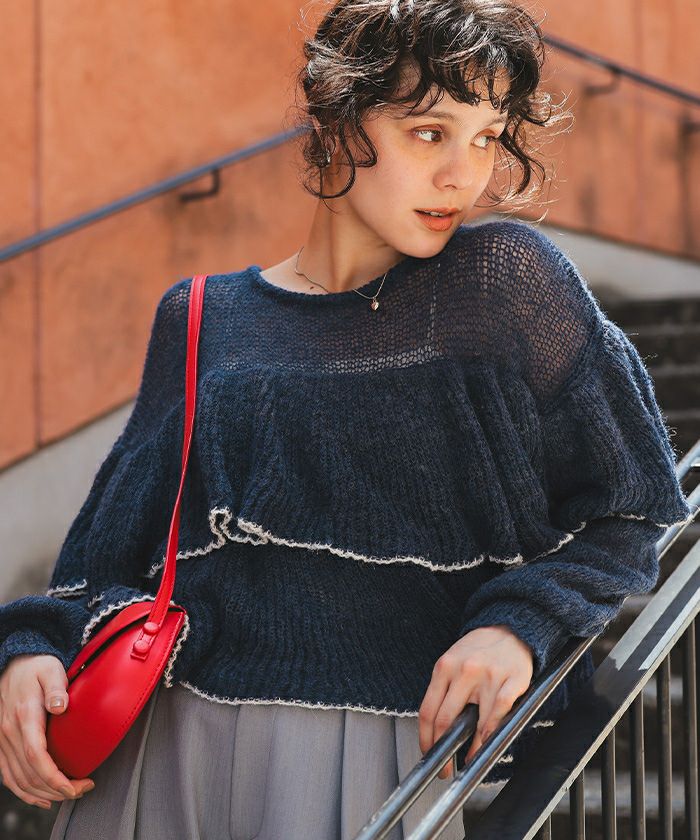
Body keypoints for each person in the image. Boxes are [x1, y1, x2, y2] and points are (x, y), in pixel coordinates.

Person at [0, 0, 693, 838]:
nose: (464, 176)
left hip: (375, 758)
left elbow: (634, 507)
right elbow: (101, 557)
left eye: (486, 137)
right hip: (164, 754)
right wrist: (31, 650)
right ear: (336, 121)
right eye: (430, 133)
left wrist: (519, 625)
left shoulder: (504, 285)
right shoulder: (202, 316)